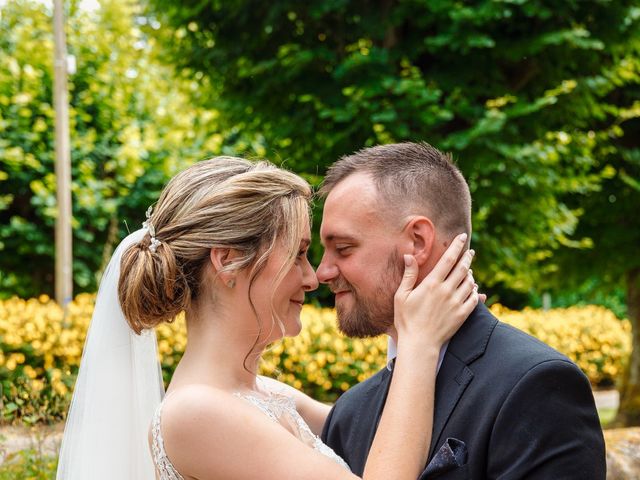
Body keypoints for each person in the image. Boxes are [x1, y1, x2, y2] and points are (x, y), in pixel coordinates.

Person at [56, 156, 480, 480]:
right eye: (297, 254)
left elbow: (377, 432)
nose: (313, 278)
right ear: (227, 262)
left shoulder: (267, 394)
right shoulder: (196, 412)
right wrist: (419, 345)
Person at [317, 142, 607, 479]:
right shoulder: (349, 413)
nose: (323, 272)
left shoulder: (537, 385)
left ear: (418, 242)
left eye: (343, 249)